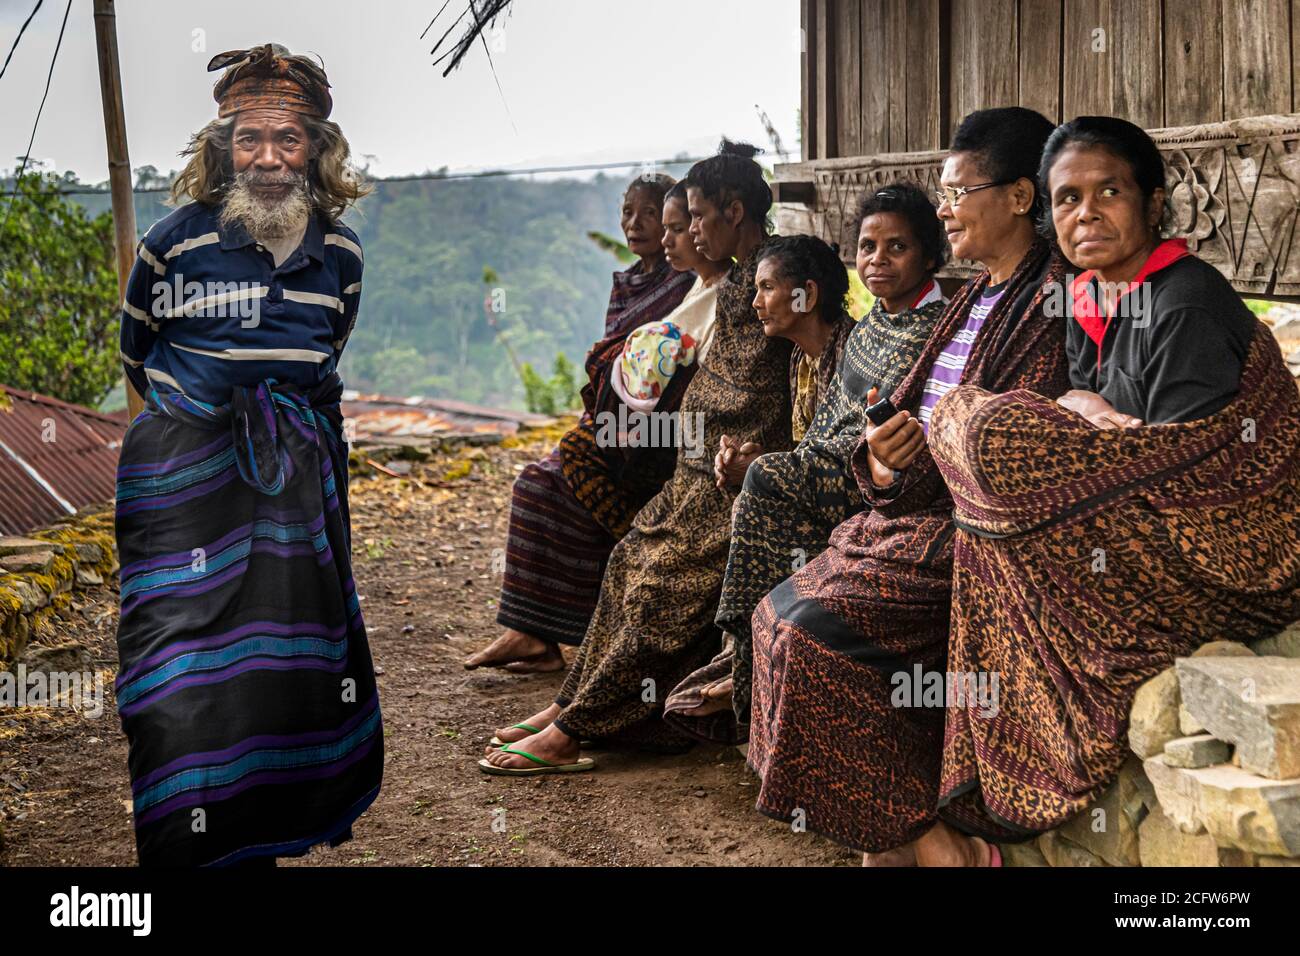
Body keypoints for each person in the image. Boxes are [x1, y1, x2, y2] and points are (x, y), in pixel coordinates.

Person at [927, 116, 1300, 856]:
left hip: (1233, 545)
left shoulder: (1183, 299)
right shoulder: (1089, 297)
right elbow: (1095, 436)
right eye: (1067, 198)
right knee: (983, 469)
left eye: (1109, 192)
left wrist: (1074, 424)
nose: (1085, 212)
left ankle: (1030, 768)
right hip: (1149, 511)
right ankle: (996, 789)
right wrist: (1081, 409)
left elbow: (1182, 474)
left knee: (989, 451)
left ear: (1154, 204)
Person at [744, 107, 1071, 866]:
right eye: (945, 193)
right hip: (909, 516)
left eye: (960, 193)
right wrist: (885, 459)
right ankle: (883, 838)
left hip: (973, 535)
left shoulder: (1047, 301)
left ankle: (935, 848)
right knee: (774, 614)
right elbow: (915, 433)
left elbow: (1011, 448)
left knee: (814, 636)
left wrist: (914, 461)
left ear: (1020, 197)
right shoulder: (972, 296)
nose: (947, 209)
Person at [114, 43, 381, 865]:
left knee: (277, 679)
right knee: (174, 683)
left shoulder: (339, 258)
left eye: (288, 139)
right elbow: (137, 352)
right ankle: (181, 848)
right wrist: (207, 424)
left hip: (292, 496)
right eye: (249, 139)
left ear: (318, 151)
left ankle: (252, 846)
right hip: (182, 486)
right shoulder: (173, 245)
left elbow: (324, 362)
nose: (268, 157)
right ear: (221, 147)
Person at [480, 140, 793, 772]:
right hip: (697, 467)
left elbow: (791, 382)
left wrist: (755, 456)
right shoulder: (734, 285)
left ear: (734, 212)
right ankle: (573, 701)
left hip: (739, 478)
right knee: (627, 558)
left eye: (698, 216)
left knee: (661, 586)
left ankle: (573, 730)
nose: (694, 231)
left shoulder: (773, 278)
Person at [664, 186, 948, 742]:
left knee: (767, 478)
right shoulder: (871, 328)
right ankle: (746, 664)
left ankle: (741, 669)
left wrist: (776, 466)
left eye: (898, 247)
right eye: (868, 247)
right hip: (826, 470)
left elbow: (874, 436)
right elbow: (824, 429)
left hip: (883, 484)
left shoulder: (934, 328)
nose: (878, 260)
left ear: (930, 256)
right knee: (759, 484)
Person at [465, 174, 700, 673]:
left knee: (543, 483)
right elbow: (609, 364)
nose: (634, 224)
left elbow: (662, 371)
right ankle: (531, 633)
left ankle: (551, 633)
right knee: (536, 482)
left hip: (653, 436)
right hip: (611, 422)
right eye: (627, 212)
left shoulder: (687, 285)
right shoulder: (628, 284)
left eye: (650, 214)